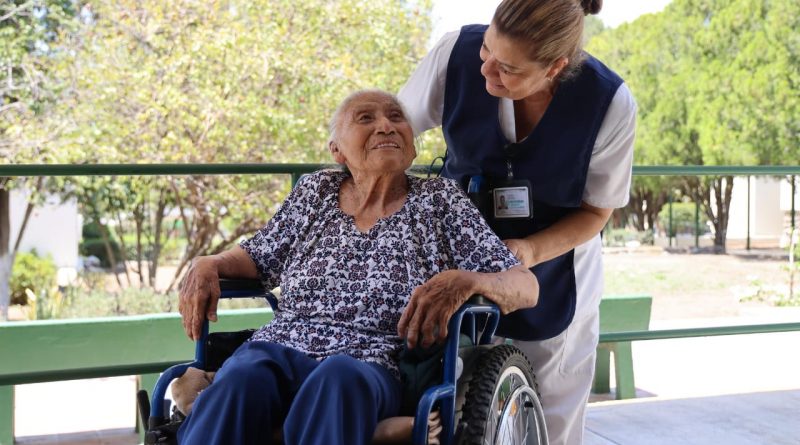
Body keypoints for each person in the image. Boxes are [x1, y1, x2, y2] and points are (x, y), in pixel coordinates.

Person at [176, 89, 539, 445]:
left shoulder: (440, 201)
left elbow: (526, 286)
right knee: (242, 377)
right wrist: (209, 262)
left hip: (372, 361)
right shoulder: (316, 191)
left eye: (396, 117)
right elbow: (258, 257)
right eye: (366, 118)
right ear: (337, 150)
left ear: (412, 147)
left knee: (338, 378)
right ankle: (375, 432)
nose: (386, 126)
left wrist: (467, 281)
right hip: (280, 346)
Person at [398, 0, 636, 443]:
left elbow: (596, 211)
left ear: (555, 67)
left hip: (558, 269)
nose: (485, 71)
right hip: (456, 260)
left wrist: (528, 251)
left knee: (552, 416)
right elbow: (393, 130)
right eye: (487, 50)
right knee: (447, 405)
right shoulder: (455, 53)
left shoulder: (608, 103)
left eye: (507, 69)